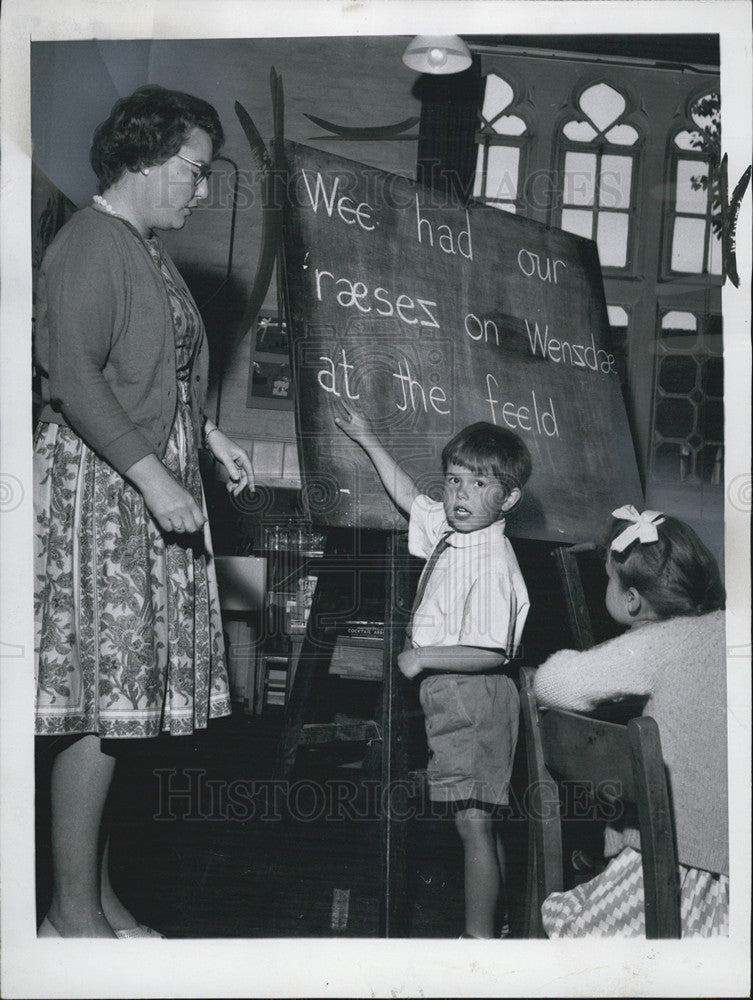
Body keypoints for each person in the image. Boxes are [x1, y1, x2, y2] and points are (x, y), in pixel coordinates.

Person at [33, 85, 255, 937]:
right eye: (194, 172)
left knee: (122, 716)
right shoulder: (92, 241)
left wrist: (209, 437)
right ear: (143, 157)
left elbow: (154, 372)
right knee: (101, 709)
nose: (200, 193)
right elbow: (76, 377)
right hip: (104, 494)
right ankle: (70, 919)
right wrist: (153, 477)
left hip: (141, 488)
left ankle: (90, 900)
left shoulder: (144, 248)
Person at [336, 409, 531, 939]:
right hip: (457, 697)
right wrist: (368, 437)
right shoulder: (455, 530)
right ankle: (499, 925)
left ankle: (478, 942)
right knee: (478, 821)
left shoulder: (490, 559)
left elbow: (493, 651)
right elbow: (410, 500)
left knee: (472, 822)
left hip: (476, 695)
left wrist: (423, 657)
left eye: (480, 483)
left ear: (509, 498)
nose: (460, 495)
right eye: (454, 480)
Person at [534, 506, 728, 937]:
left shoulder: (659, 642)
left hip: (678, 877)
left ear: (633, 599)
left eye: (609, 578)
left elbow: (553, 684)